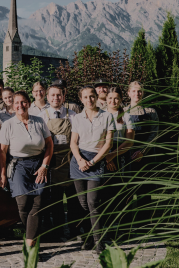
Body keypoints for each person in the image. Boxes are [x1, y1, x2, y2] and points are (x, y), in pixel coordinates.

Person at [0, 91, 54, 248]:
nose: (20, 105)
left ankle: (30, 241)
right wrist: (2, 174)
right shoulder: (8, 125)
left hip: (39, 164)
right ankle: (32, 232)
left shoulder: (39, 121)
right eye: (17, 102)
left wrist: (44, 166)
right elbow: (2, 152)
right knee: (22, 204)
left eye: (23, 102)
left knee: (39, 199)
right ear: (12, 105)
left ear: (29, 103)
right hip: (18, 166)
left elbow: (49, 144)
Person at [70, 85, 115, 253]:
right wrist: (81, 160)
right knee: (82, 204)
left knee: (93, 202)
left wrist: (94, 161)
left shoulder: (107, 116)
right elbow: (73, 143)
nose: (89, 100)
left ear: (96, 97)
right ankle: (88, 238)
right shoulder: (77, 118)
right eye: (85, 97)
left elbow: (108, 143)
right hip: (79, 161)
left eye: (91, 96)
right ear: (81, 100)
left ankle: (99, 241)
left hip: (96, 160)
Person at [38, 82, 81, 239]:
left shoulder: (73, 115)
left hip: (70, 161)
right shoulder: (42, 117)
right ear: (47, 97)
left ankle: (74, 231)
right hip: (51, 163)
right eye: (53, 95)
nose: (56, 98)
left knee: (73, 200)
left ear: (63, 97)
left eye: (59, 95)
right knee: (54, 201)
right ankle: (56, 232)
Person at [125, 81, 159, 224]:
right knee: (126, 189)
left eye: (139, 91)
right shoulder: (123, 111)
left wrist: (142, 151)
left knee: (144, 189)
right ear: (128, 93)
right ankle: (125, 223)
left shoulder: (151, 112)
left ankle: (143, 224)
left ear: (143, 93)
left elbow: (154, 134)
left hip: (145, 156)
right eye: (134, 91)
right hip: (126, 154)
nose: (137, 94)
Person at [103, 87, 135, 228]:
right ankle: (107, 224)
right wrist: (106, 157)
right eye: (110, 98)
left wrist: (112, 155)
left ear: (121, 99)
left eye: (116, 98)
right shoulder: (101, 115)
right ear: (106, 99)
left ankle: (123, 225)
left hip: (121, 154)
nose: (113, 101)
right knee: (106, 191)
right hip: (104, 155)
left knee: (121, 190)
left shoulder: (127, 115)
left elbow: (129, 141)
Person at [0, 87, 15, 167]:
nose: (8, 99)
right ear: (2, 99)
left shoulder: (20, 112)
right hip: (4, 148)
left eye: (10, 97)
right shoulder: (0, 114)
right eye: (5, 98)